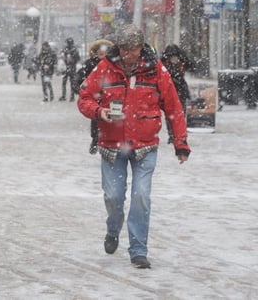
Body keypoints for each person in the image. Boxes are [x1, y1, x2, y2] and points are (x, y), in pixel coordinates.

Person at [77, 24, 190, 269]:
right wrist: (99, 112)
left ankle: (138, 250)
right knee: (114, 197)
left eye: (133, 49)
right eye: (124, 49)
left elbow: (173, 107)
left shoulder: (156, 71)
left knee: (141, 196)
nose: (128, 54)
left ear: (141, 48)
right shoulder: (105, 68)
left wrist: (180, 143)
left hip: (145, 146)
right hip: (112, 145)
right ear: (119, 47)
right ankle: (113, 228)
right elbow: (84, 97)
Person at [73, 39, 113, 154]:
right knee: (96, 118)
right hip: (95, 97)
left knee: (111, 118)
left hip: (110, 96)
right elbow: (79, 77)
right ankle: (95, 139)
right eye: (99, 51)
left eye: (104, 51)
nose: (102, 53)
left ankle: (109, 141)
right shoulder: (90, 64)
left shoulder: (113, 64)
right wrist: (79, 89)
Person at [161, 44, 193, 142]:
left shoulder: (181, 63)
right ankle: (172, 134)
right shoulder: (164, 64)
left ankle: (178, 134)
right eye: (172, 56)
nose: (174, 58)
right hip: (169, 90)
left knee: (180, 113)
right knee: (170, 113)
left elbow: (192, 66)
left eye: (175, 56)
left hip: (180, 90)